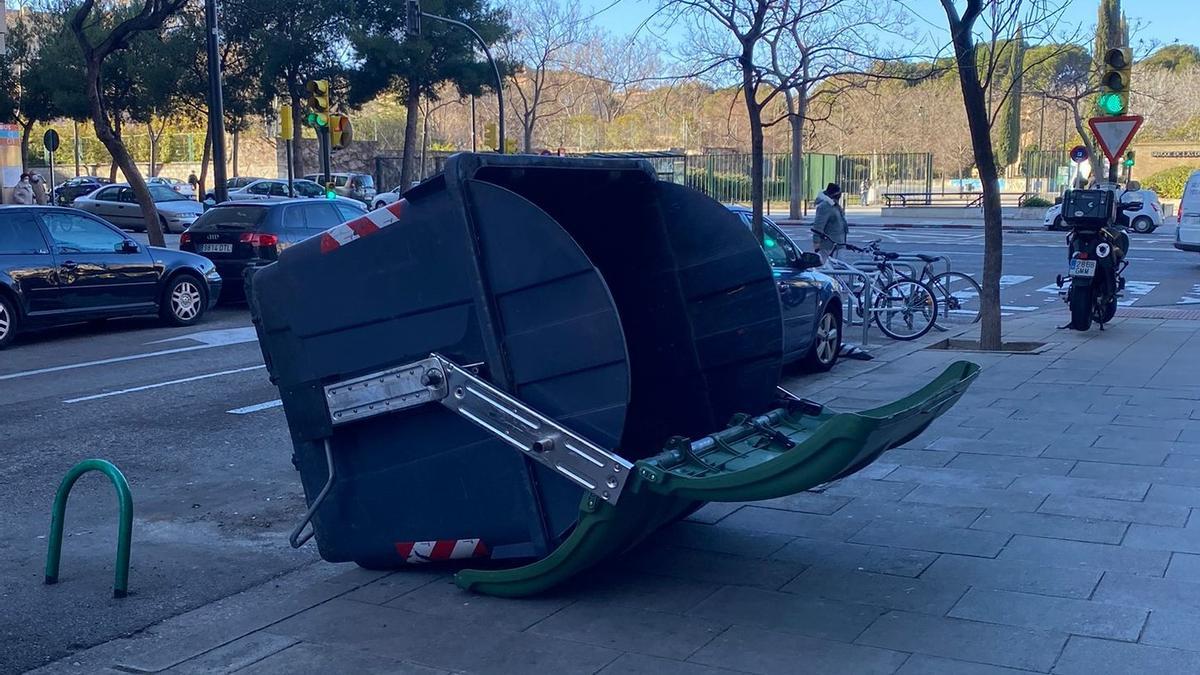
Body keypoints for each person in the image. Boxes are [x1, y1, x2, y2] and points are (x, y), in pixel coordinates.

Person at [812, 182, 848, 265]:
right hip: (828, 245)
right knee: (824, 268)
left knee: (839, 269)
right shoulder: (825, 206)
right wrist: (816, 243)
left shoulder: (835, 205)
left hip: (839, 244)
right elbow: (818, 225)